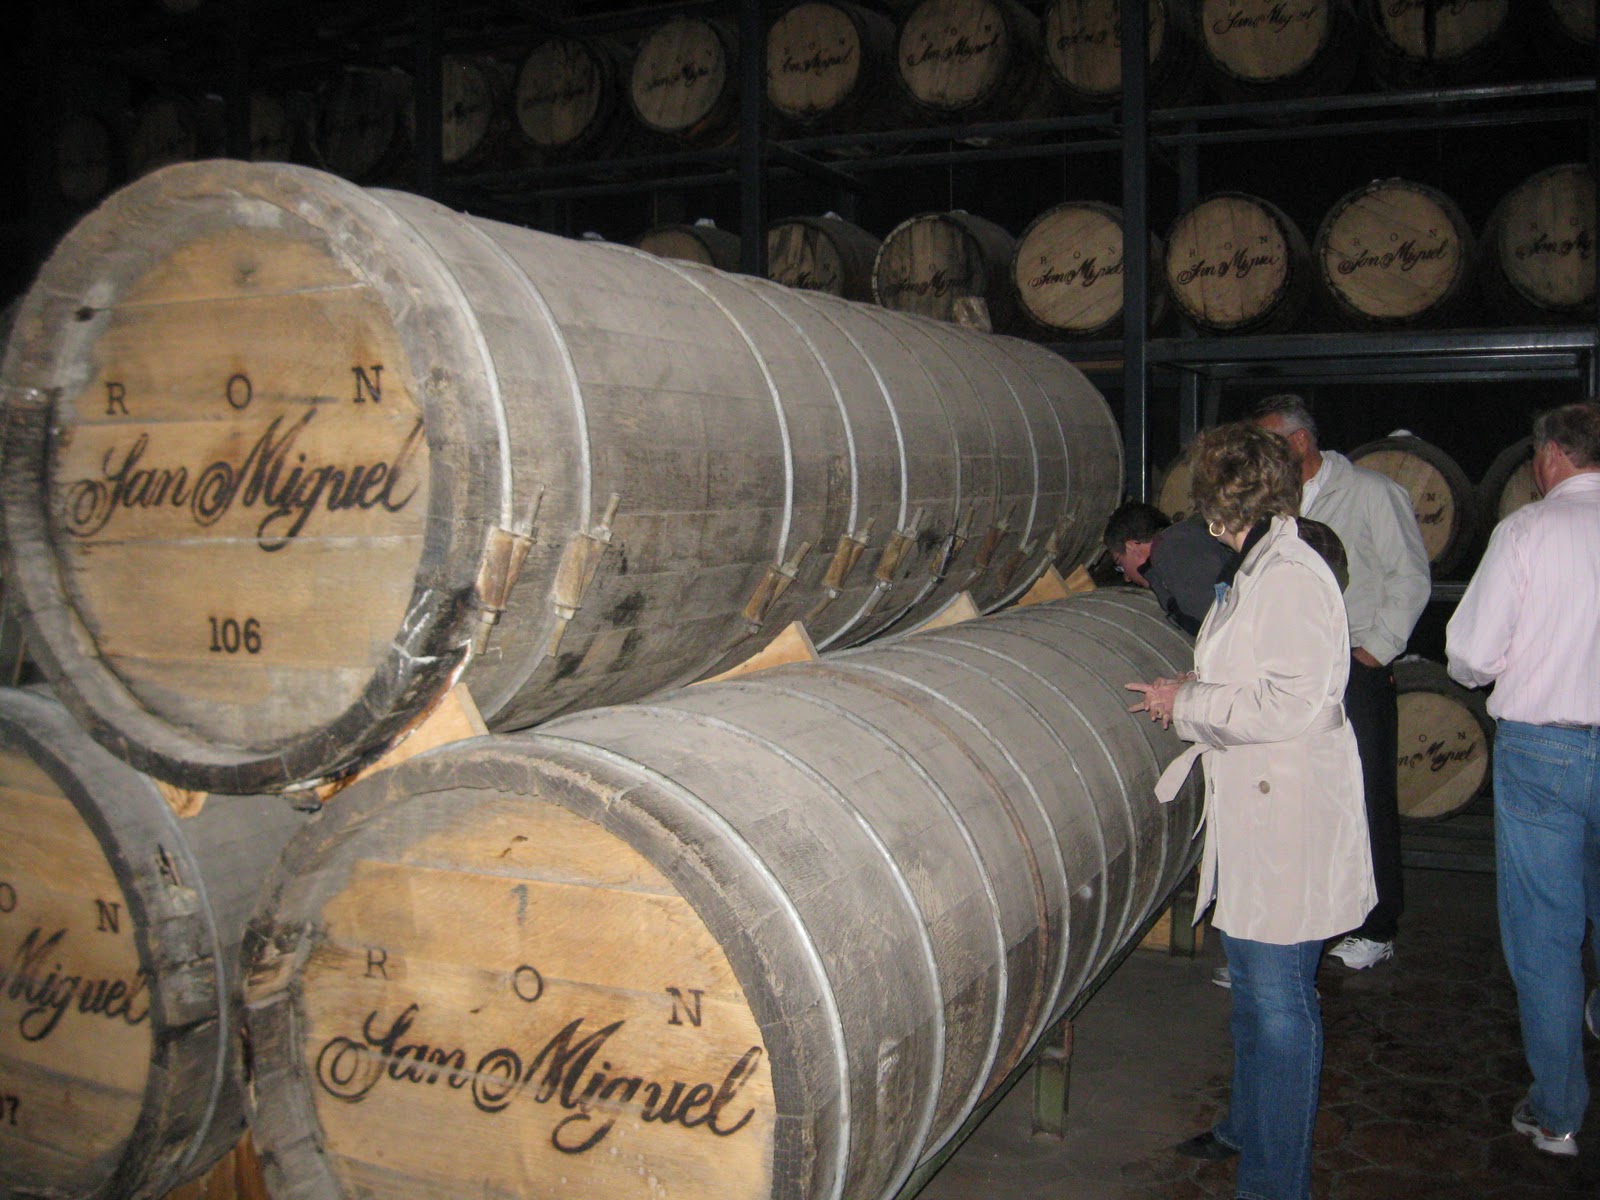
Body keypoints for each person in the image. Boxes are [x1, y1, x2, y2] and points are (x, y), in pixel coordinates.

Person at [1127, 422, 1374, 1200]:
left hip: (1285, 816)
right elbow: (1260, 671)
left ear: (1219, 499)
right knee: (1255, 991)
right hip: (1263, 808)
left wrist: (1189, 701)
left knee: (1279, 1006)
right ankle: (1246, 1125)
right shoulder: (1266, 561)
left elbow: (1293, 701)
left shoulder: (1291, 573)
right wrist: (1198, 685)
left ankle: (1276, 1183)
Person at [1445, 401, 1600, 1158]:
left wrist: (1509, 662)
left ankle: (1558, 1111)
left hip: (1545, 749)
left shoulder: (1528, 530)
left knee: (1545, 933)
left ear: (1548, 459)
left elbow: (1470, 653)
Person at [1253, 394, 1429, 971]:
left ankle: (1378, 925)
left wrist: (1375, 651)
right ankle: (1318, 919)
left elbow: (1409, 575)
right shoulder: (1274, 500)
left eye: (1270, 442)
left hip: (1354, 669)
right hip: (1295, 670)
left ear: (1300, 442)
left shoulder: (1374, 493)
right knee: (1308, 796)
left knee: (1366, 793)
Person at [1105, 499, 1237, 635]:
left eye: (1120, 564)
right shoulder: (1178, 545)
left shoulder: (1173, 549)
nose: (1126, 577)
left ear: (1131, 547)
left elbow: (1212, 619)